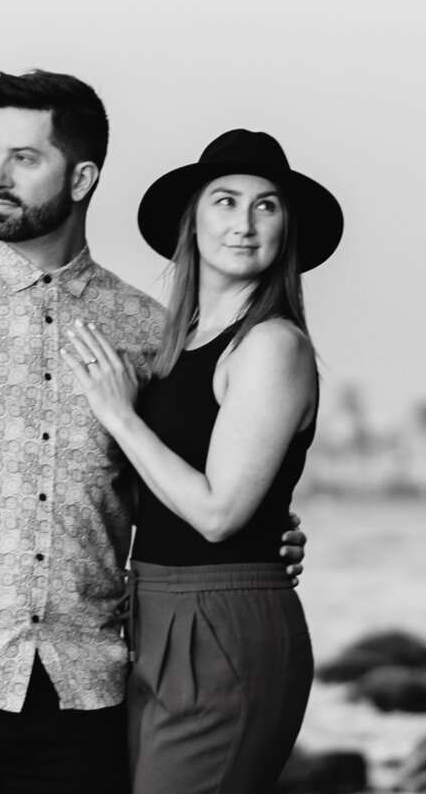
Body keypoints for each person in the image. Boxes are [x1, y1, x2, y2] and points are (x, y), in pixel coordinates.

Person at [0, 73, 306, 794]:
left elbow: (180, 480)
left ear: (81, 177)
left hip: (82, 687)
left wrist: (267, 532)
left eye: (23, 158)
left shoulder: (147, 329)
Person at [64, 129, 339, 794]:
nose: (244, 224)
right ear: (193, 219)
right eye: (225, 201)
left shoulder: (272, 344)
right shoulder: (175, 345)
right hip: (152, 613)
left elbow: (217, 513)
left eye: (267, 206)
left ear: (287, 228)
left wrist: (119, 414)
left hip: (224, 626)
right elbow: (158, 495)